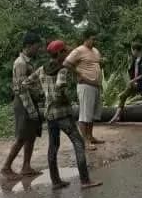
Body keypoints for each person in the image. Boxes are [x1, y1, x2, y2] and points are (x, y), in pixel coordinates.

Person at [24, 40, 102, 190]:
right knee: (79, 143)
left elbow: (26, 83)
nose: (67, 53)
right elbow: (60, 85)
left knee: (53, 147)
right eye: (65, 51)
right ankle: (85, 181)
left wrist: (42, 94)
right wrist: (61, 93)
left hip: (49, 115)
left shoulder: (41, 69)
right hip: (63, 114)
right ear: (59, 53)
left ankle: (56, 181)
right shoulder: (62, 69)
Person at [1, 32, 43, 179]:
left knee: (31, 135)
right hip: (24, 102)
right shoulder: (20, 63)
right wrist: (31, 109)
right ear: (28, 46)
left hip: (31, 101)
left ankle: (26, 166)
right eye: (36, 47)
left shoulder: (29, 62)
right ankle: (6, 167)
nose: (37, 49)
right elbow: (21, 88)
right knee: (21, 136)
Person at [64, 29, 104, 151]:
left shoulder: (95, 51)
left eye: (95, 38)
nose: (94, 40)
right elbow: (66, 63)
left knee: (92, 114)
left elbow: (96, 64)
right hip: (85, 85)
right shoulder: (79, 50)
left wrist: (102, 64)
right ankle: (85, 141)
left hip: (95, 85)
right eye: (92, 38)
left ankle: (90, 136)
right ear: (86, 39)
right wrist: (78, 74)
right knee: (85, 114)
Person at [109, 41, 142, 123]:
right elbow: (131, 71)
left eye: (132, 50)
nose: (132, 52)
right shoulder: (134, 60)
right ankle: (117, 116)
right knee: (123, 96)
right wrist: (132, 80)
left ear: (136, 50)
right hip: (134, 84)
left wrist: (132, 80)